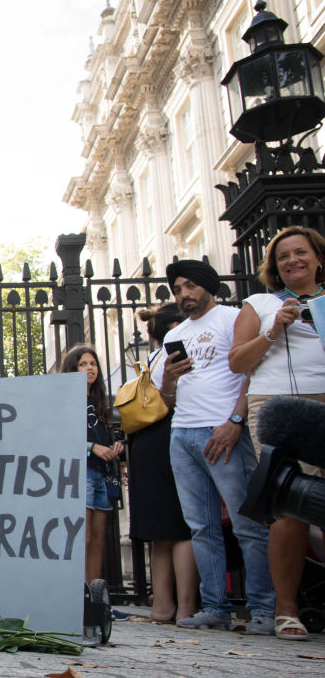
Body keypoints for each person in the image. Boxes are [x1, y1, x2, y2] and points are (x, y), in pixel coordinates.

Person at [150, 259, 274, 634]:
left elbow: (252, 373)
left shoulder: (234, 318)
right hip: (183, 433)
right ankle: (216, 607)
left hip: (222, 431)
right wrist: (169, 379)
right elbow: (165, 399)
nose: (183, 294)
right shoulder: (179, 332)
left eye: (190, 286)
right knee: (201, 527)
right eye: (177, 289)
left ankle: (263, 609)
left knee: (247, 524)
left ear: (207, 285)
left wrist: (235, 422)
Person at [227, 226, 325, 641]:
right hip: (275, 405)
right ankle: (287, 610)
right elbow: (236, 362)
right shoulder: (260, 303)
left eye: (300, 253)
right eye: (283, 256)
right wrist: (273, 331)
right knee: (290, 500)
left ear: (318, 258)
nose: (292, 261)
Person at [127, 304, 198, 623]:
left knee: (159, 531)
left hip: (145, 444)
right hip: (170, 438)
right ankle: (185, 606)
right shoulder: (175, 357)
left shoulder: (148, 361)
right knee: (182, 528)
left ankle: (162, 605)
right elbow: (175, 401)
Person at [59, 344, 124, 586]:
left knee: (99, 539)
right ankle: (79, 597)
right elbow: (61, 435)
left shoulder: (100, 400)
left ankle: (96, 598)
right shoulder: (66, 399)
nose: (89, 368)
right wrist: (91, 447)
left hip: (103, 472)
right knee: (82, 537)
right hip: (81, 472)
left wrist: (116, 445)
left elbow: (106, 433)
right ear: (73, 368)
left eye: (93, 364)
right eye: (83, 364)